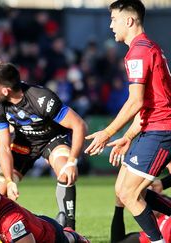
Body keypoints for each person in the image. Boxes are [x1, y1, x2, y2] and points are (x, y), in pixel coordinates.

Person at [85, 1, 171, 242]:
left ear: (129, 21)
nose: (111, 25)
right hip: (152, 126)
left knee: (129, 192)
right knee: (123, 191)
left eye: (114, 19)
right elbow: (150, 103)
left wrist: (107, 132)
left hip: (160, 129)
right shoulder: (148, 47)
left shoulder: (139, 51)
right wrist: (128, 136)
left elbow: (135, 102)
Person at [0, 63, 86, 230]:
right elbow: (3, 146)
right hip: (23, 144)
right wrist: (10, 180)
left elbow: (79, 125)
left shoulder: (42, 99)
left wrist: (72, 161)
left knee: (65, 174)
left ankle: (69, 229)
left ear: (5, 90)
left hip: (52, 140)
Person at [0, 181, 89, 243]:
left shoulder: (12, 222)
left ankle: (73, 235)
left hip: (49, 236)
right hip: (34, 223)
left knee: (66, 238)